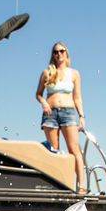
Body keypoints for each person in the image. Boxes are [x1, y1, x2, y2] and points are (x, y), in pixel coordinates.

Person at [35, 41, 88, 193]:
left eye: (62, 51)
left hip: (69, 111)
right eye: (55, 52)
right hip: (50, 113)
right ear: (52, 55)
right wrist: (44, 102)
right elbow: (38, 94)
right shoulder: (47, 72)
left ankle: (81, 186)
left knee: (74, 149)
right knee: (54, 151)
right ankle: (57, 186)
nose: (59, 54)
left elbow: (77, 97)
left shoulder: (74, 73)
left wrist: (82, 115)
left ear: (66, 53)